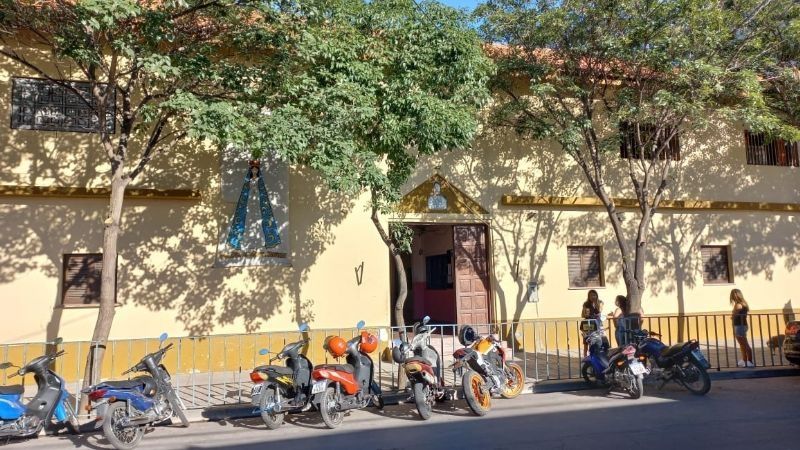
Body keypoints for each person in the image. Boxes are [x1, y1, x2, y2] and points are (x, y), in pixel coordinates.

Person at [731, 289, 754, 367]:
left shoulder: (738, 305)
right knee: (742, 343)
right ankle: (744, 360)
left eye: (734, 295)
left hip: (739, 326)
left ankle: (749, 361)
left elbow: (734, 315)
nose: (733, 297)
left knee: (744, 343)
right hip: (742, 325)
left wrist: (732, 315)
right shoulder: (743, 303)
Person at [581, 290, 603, 357]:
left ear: (596, 295)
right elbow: (582, 314)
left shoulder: (600, 302)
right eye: (590, 295)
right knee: (586, 341)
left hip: (597, 324)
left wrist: (595, 304)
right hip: (588, 323)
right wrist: (586, 314)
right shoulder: (586, 304)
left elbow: (599, 312)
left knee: (597, 340)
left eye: (594, 295)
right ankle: (585, 357)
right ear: (588, 296)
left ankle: (595, 355)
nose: (592, 297)